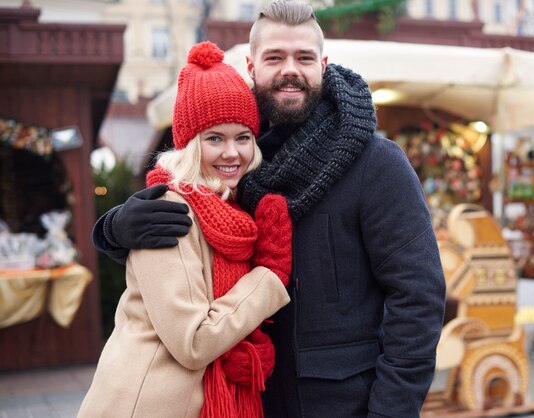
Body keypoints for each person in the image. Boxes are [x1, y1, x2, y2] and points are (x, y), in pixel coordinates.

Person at [93, 1, 446, 416]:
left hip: (345, 403)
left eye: (304, 57)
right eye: (274, 57)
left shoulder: (376, 163)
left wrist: (390, 411)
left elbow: (418, 298)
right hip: (253, 398)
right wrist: (116, 229)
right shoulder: (238, 158)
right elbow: (187, 238)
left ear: (324, 64)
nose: (289, 70)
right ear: (252, 66)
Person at [79, 41, 293, 418]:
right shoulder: (171, 210)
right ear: (190, 145)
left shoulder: (230, 208)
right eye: (215, 138)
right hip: (150, 404)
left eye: (243, 137)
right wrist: (269, 275)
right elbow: (193, 341)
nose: (232, 153)